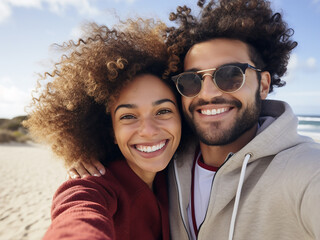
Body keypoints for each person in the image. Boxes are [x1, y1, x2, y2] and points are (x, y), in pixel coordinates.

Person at [68, 0, 320, 239]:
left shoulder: (304, 169)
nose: (207, 93)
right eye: (191, 80)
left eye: (231, 75)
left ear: (263, 84)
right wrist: (87, 155)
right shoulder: (165, 163)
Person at [23, 18, 182, 240]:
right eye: (128, 116)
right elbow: (77, 215)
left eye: (163, 111)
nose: (148, 130)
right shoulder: (93, 186)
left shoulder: (181, 173)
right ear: (111, 132)